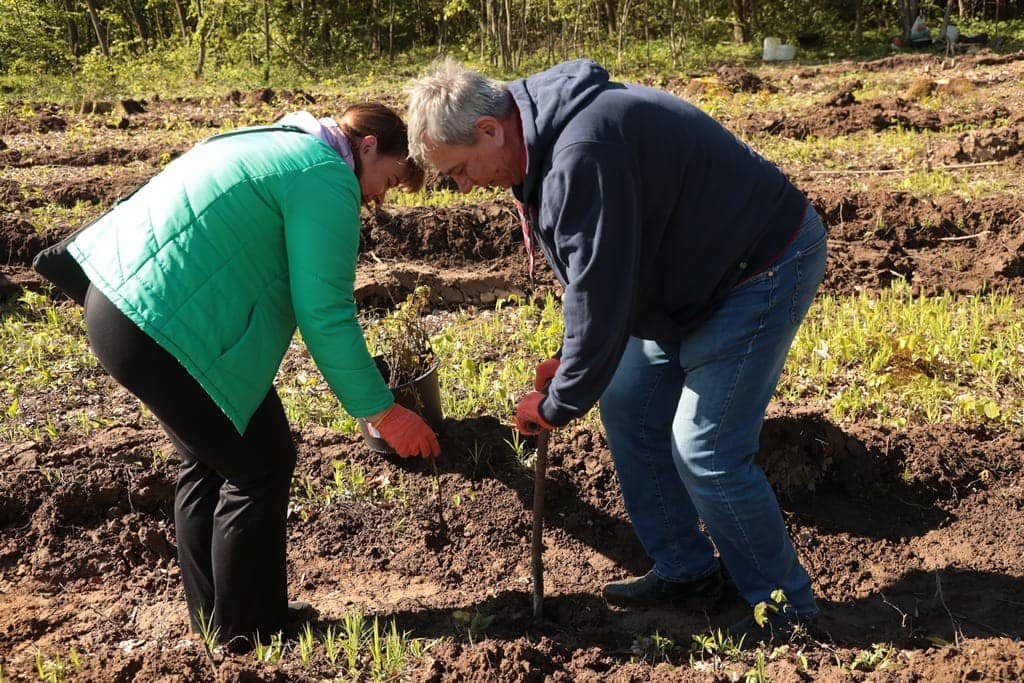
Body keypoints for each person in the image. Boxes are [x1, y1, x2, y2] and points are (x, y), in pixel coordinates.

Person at [407, 58, 827, 644]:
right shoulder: (537, 137)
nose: (464, 185)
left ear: (489, 130)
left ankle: (786, 610)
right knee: (628, 401)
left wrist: (556, 403)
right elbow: (593, 278)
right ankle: (687, 570)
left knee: (705, 448)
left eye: (459, 170)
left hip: (757, 265)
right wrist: (571, 359)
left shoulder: (582, 151)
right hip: (686, 275)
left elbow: (601, 298)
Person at [66, 103, 441, 651]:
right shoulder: (326, 177)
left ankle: (219, 623)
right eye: (390, 179)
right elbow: (325, 313)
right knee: (260, 463)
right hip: (162, 327)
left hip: (118, 307)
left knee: (212, 460)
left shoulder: (277, 142)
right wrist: (381, 411)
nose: (381, 196)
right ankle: (250, 633)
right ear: (366, 149)